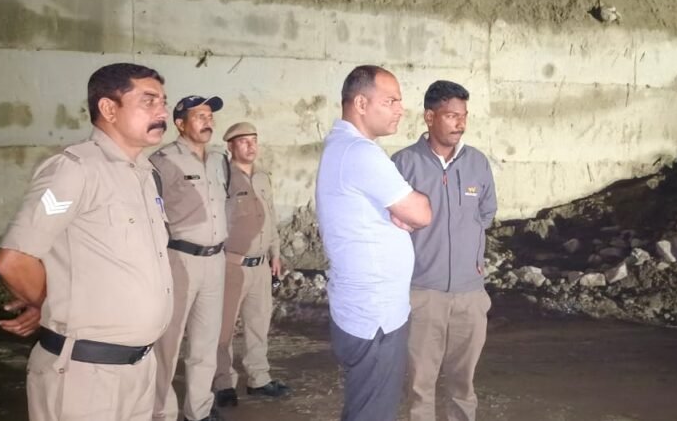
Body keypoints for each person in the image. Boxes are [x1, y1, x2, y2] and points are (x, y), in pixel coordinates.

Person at [0, 62, 174, 421]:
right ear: (109, 108)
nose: (163, 112)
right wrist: (50, 304)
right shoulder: (75, 170)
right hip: (86, 374)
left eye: (163, 102)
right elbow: (13, 259)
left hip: (138, 369)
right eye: (149, 101)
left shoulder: (146, 174)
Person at [315, 65, 433, 421]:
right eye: (391, 101)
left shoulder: (344, 148)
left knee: (366, 406)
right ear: (361, 104)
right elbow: (421, 212)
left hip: (366, 309)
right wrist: (407, 213)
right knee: (372, 412)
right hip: (374, 316)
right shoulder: (359, 152)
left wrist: (401, 214)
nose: (400, 109)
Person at [392, 80, 497, 421]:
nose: (460, 123)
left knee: (463, 385)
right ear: (429, 117)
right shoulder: (404, 164)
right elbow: (391, 225)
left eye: (463, 116)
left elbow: (486, 213)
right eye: (452, 115)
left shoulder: (477, 162)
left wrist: (471, 259)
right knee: (420, 386)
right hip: (423, 294)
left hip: (470, 294)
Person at [150, 95, 229, 421]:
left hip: (216, 260)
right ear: (180, 124)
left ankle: (198, 411)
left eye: (210, 116)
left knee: (205, 342)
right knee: (167, 343)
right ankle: (162, 413)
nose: (208, 121)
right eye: (200, 116)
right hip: (179, 260)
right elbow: (152, 214)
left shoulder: (219, 159)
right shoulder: (163, 161)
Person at [212, 122, 291, 408]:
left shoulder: (262, 177)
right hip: (232, 264)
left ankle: (258, 378)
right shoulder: (223, 178)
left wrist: (275, 253)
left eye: (254, 140)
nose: (250, 146)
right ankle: (223, 382)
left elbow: (270, 217)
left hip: (260, 266)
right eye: (243, 141)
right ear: (230, 146)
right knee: (223, 328)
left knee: (258, 324)